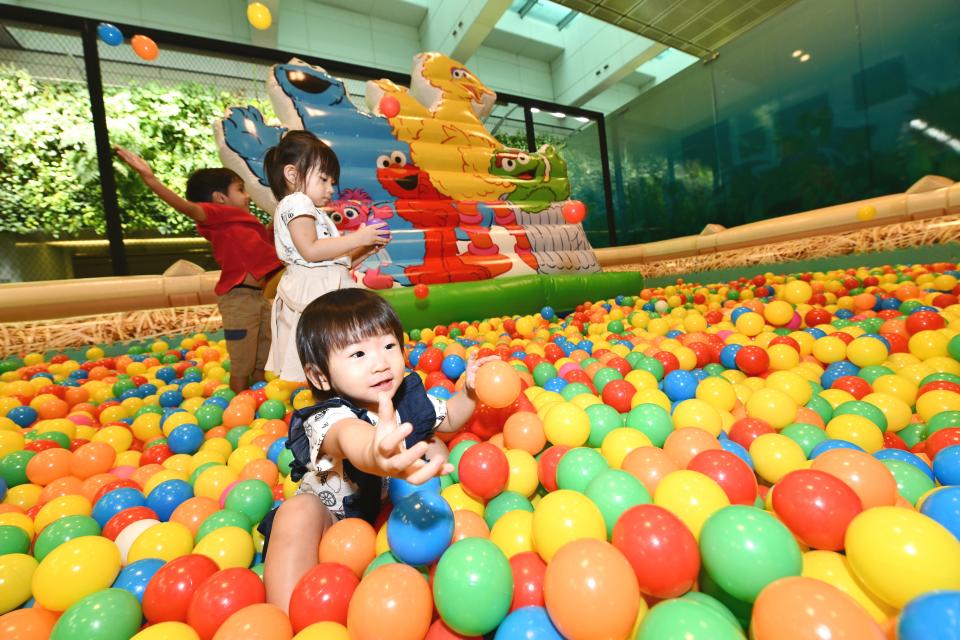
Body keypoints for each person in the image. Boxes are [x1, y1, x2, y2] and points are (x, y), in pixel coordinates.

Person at [259, 288, 496, 611]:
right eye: (358, 354)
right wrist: (375, 453)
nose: (380, 363)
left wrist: (469, 391)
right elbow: (349, 439)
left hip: (384, 522)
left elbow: (451, 417)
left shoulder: (408, 400)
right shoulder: (328, 415)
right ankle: (286, 616)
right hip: (331, 518)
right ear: (320, 376)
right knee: (296, 513)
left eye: (388, 346)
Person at [114, 147, 282, 394]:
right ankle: (239, 400)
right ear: (220, 198)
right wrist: (149, 179)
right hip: (238, 298)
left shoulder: (246, 223)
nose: (247, 196)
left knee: (263, 353)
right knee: (242, 360)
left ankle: (259, 399)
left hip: (257, 296)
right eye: (240, 190)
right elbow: (186, 207)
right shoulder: (217, 215)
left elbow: (262, 250)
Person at [263, 130, 390, 382]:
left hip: (324, 285)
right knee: (326, 354)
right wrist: (358, 238)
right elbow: (310, 251)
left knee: (336, 356)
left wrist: (365, 248)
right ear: (292, 174)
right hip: (313, 292)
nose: (330, 189)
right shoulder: (295, 202)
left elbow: (335, 262)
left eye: (332, 182)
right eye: (323, 179)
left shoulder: (313, 211)